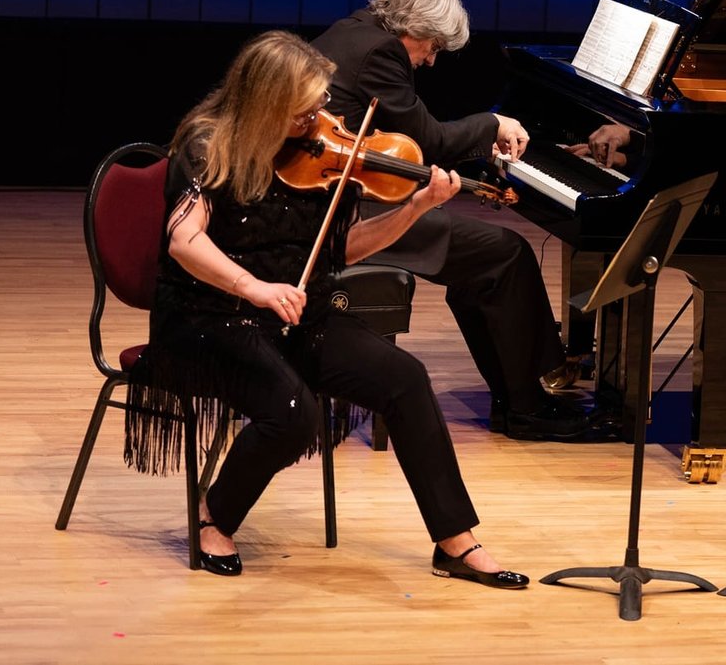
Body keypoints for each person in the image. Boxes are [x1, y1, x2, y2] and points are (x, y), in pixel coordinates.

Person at [126, 30, 528, 587]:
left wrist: (416, 207)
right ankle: (214, 515)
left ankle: (455, 543)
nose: (319, 118)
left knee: (405, 378)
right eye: (304, 108)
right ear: (263, 100)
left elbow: (343, 251)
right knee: (293, 413)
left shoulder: (319, 156)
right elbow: (183, 241)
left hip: (293, 313)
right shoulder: (208, 144)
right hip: (207, 316)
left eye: (320, 103)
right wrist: (255, 288)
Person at [312, 0, 593, 441]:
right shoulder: (382, 54)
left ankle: (516, 400)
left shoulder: (352, 30)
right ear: (418, 29)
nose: (430, 60)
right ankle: (526, 406)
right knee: (504, 252)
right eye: (434, 47)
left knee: (485, 258)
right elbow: (428, 141)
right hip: (341, 216)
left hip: (341, 198)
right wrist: (493, 123)